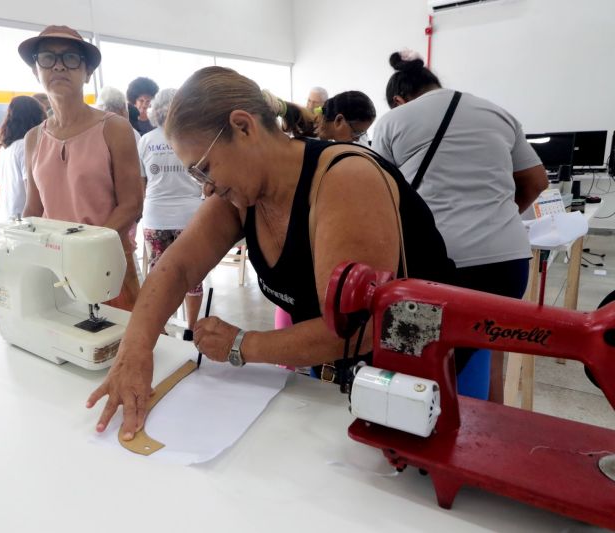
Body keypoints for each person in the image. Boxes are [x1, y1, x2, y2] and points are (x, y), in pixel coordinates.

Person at [87, 66, 455, 439]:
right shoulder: (242, 195)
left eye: (204, 170)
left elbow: (354, 328)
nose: (207, 190)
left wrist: (243, 345)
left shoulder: (345, 179)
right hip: (344, 377)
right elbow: (177, 267)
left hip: (418, 377)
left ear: (243, 126)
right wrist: (134, 352)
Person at [372, 51, 548, 401]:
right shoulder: (497, 112)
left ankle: (419, 439)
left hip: (435, 264)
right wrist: (499, 217)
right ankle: (489, 434)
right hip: (506, 264)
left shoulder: (393, 122)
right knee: (489, 350)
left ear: (397, 99)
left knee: (418, 358)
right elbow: (536, 181)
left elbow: (379, 193)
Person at [11, 25, 143, 311]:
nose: (58, 66)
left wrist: (86, 251)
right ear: (36, 70)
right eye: (47, 58)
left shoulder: (114, 128)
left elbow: (132, 204)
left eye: (70, 58)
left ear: (87, 72)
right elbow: (33, 210)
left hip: (106, 262)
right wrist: (15, 273)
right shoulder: (33, 138)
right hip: (53, 265)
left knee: (120, 344)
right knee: (58, 342)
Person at [137, 88, 204, 341]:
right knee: (193, 275)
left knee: (159, 275)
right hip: (190, 217)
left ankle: (162, 328)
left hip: (156, 216)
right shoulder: (193, 139)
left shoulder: (145, 140)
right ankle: (192, 328)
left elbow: (141, 184)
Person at [0, 96, 46, 220]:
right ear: (37, 117)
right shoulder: (26, 145)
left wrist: (12, 215)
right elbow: (32, 191)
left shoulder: (5, 149)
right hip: (30, 225)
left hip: (12, 223)